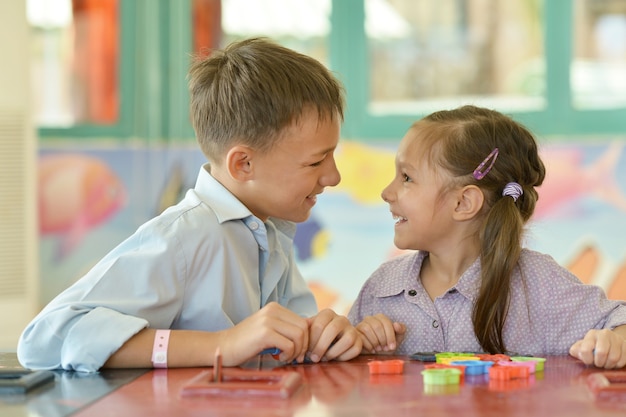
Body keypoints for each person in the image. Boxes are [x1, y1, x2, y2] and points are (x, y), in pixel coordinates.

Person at [18, 37, 362, 372]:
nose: (333, 177)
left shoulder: (271, 235)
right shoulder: (184, 237)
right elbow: (44, 339)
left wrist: (326, 337)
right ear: (243, 164)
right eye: (316, 163)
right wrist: (222, 345)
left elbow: (289, 343)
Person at [348, 105, 626, 369]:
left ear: (464, 203)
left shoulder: (540, 285)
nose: (386, 191)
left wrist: (615, 343)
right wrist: (359, 342)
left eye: (406, 177)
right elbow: (345, 372)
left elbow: (619, 322)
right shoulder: (381, 289)